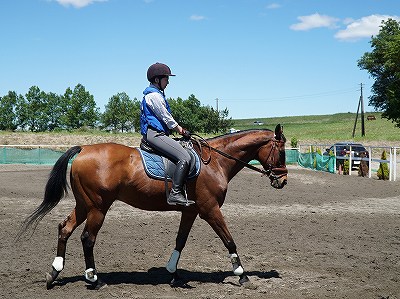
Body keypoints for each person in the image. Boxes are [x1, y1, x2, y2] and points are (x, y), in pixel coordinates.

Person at [140, 62, 195, 206]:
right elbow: (166, 118)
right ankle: (175, 193)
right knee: (185, 156)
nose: (168, 82)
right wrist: (182, 130)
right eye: (166, 79)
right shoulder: (154, 96)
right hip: (155, 135)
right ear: (157, 80)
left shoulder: (155, 94)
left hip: (159, 134)